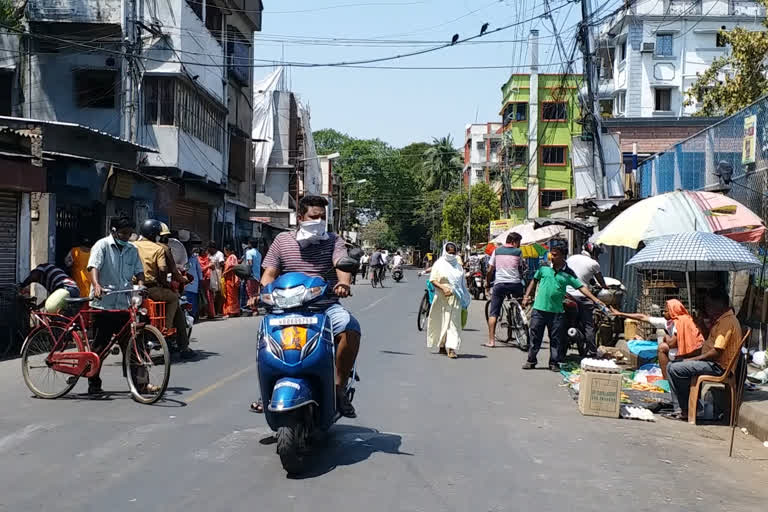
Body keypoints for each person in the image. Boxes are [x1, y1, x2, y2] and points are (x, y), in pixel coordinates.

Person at [251, 195, 360, 417]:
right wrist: (260, 294)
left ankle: (338, 389)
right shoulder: (282, 241)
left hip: (324, 307)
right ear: (300, 217)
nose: (319, 221)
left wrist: (343, 283)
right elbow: (269, 274)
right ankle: (266, 392)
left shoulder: (333, 241)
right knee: (265, 340)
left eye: (322, 217)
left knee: (350, 327)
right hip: (285, 308)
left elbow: (341, 263)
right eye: (314, 216)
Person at [521, 244, 605, 371]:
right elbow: (534, 280)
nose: (551, 257)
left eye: (555, 255)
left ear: (562, 256)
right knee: (535, 336)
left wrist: (596, 300)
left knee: (556, 338)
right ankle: (531, 360)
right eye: (551, 254)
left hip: (556, 312)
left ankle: (553, 363)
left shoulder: (568, 273)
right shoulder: (544, 268)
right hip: (539, 309)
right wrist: (526, 296)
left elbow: (581, 287)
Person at [86, 217, 146, 394]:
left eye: (129, 234)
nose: (127, 237)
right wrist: (96, 285)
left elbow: (139, 271)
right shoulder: (102, 245)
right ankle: (94, 384)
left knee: (132, 347)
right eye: (123, 233)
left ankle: (139, 384)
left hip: (123, 304)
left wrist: (142, 285)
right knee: (100, 348)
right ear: (113, 231)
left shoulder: (132, 249)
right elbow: (93, 267)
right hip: (103, 305)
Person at [664, 289, 742, 421]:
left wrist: (691, 359)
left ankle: (688, 408)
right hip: (712, 363)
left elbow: (716, 352)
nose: (707, 308)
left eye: (710, 305)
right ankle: (681, 408)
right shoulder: (720, 321)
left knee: (676, 369)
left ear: (720, 304)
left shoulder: (727, 322)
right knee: (672, 365)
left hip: (719, 367)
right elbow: (707, 345)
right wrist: (686, 356)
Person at [133, 219, 192, 358]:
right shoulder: (161, 248)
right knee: (174, 299)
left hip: (131, 288)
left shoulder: (132, 246)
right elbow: (165, 270)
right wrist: (169, 282)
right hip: (151, 288)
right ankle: (165, 329)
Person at [611, 299, 704, 381]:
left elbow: (672, 343)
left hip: (690, 353)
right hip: (682, 351)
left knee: (662, 347)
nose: (663, 313)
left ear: (672, 311)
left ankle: (667, 379)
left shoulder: (680, 322)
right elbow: (643, 317)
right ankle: (668, 376)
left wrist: (665, 337)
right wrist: (621, 314)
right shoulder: (669, 321)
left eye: (666, 311)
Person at [426, 242, 470, 359]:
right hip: (441, 297)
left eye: (453, 253)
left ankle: (451, 348)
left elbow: (461, 282)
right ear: (445, 252)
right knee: (441, 322)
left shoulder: (458, 265)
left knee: (454, 323)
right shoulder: (439, 264)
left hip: (456, 297)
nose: (451, 255)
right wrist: (443, 288)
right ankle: (441, 345)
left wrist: (460, 294)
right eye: (449, 252)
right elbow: (433, 280)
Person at [565, 243, 608, 358]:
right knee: (589, 324)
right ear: (593, 252)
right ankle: (592, 352)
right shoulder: (594, 264)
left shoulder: (571, 258)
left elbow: (582, 276)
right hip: (581, 295)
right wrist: (604, 286)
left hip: (566, 295)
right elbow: (600, 281)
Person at [484, 232, 525, 348]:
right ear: (514, 242)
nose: (519, 245)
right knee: (520, 303)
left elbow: (490, 270)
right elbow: (520, 268)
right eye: (519, 243)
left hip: (500, 284)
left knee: (493, 313)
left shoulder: (496, 251)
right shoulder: (518, 252)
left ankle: (491, 341)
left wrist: (487, 282)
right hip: (515, 284)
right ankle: (520, 317)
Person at [185, 245, 204, 321]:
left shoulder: (194, 258)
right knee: (187, 301)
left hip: (194, 283)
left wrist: (200, 280)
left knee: (193, 301)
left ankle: (194, 316)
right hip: (185, 284)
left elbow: (199, 270)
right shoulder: (184, 258)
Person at [244, 238, 262, 315]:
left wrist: (246, 273)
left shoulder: (249, 252)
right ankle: (255, 308)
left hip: (251, 275)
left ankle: (254, 309)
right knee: (255, 293)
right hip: (257, 276)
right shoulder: (259, 253)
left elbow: (250, 263)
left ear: (250, 244)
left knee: (250, 293)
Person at [198, 245, 216, 320]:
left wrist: (211, 265)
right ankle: (202, 313)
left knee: (209, 297)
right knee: (201, 298)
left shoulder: (208, 258)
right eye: (204, 251)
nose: (206, 253)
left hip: (208, 280)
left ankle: (211, 313)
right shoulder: (198, 259)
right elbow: (200, 269)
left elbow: (213, 267)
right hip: (202, 280)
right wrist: (208, 266)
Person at [222, 245, 241, 317]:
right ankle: (235, 311)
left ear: (228, 251)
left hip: (231, 279)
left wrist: (225, 272)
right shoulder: (232, 257)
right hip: (229, 279)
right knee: (232, 295)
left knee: (231, 296)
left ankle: (231, 311)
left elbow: (232, 266)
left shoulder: (232, 257)